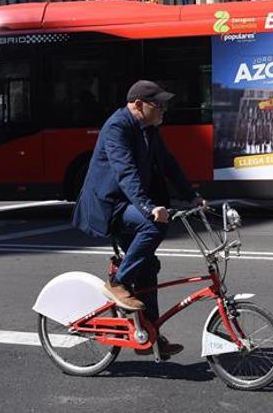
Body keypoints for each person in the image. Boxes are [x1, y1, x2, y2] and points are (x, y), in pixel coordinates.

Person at [72, 80, 205, 359]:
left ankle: (152, 335)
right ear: (137, 105)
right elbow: (125, 172)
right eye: (158, 104)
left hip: (126, 203)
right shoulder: (117, 127)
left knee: (148, 266)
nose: (163, 110)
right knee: (154, 225)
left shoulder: (149, 129)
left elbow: (168, 164)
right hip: (108, 206)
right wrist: (148, 207)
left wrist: (191, 196)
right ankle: (118, 283)